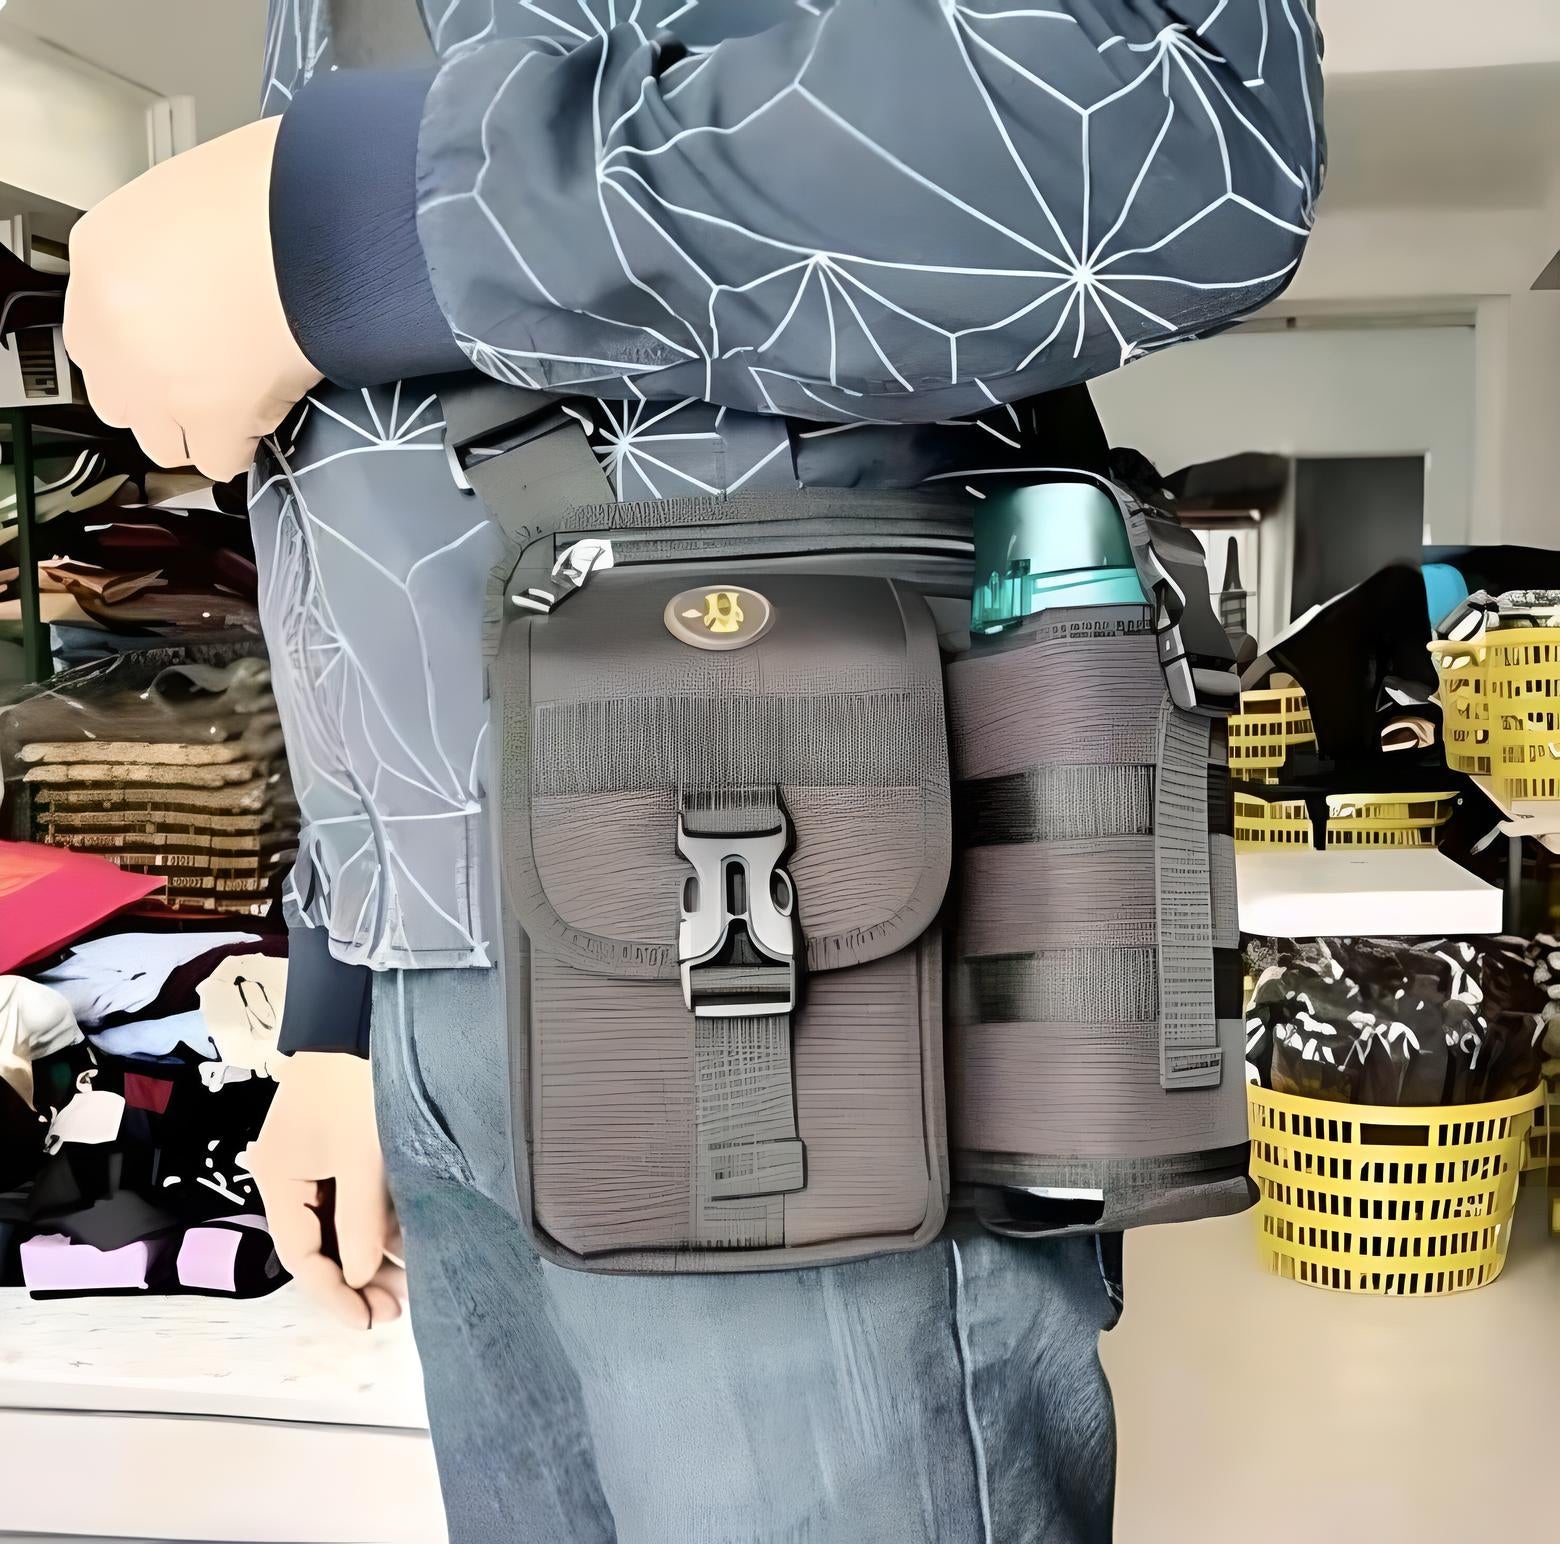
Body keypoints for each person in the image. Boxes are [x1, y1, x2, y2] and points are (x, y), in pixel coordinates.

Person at [64, 3, 1324, 1538]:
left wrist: (333, 217)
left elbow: (1174, 126)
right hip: (445, 986)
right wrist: (347, 996)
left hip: (789, 947)